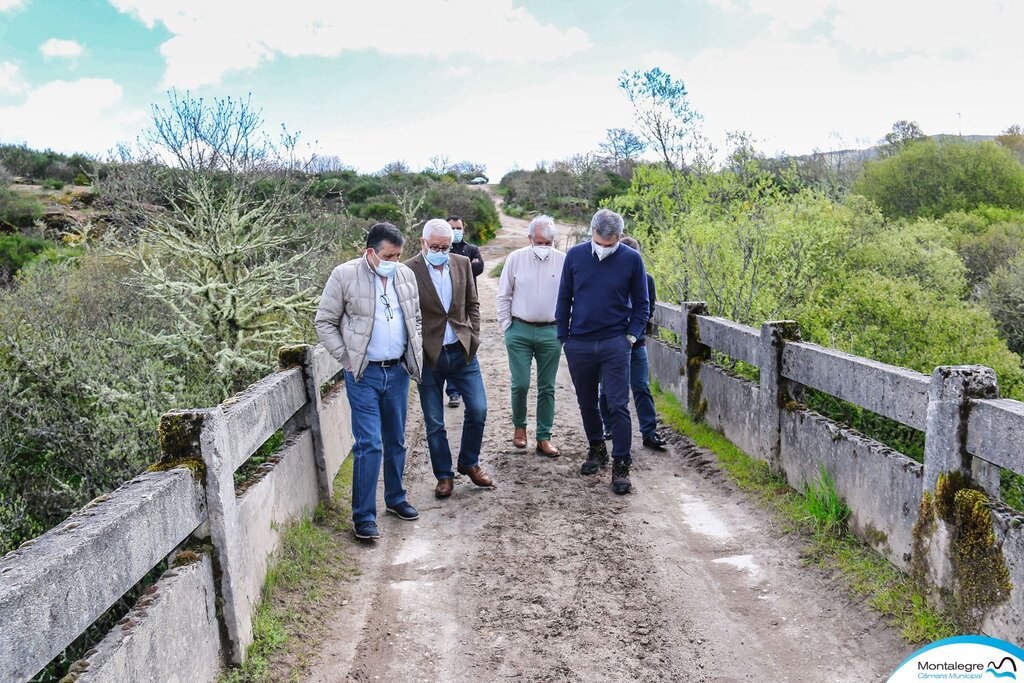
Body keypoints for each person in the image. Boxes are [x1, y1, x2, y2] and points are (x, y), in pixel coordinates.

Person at [314, 222, 423, 541]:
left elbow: (414, 316)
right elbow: (324, 322)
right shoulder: (344, 275)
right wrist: (346, 359)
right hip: (364, 373)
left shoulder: (405, 275)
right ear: (371, 253)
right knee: (369, 444)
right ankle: (363, 517)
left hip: (398, 371)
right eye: (389, 255)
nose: (395, 261)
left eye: (400, 255)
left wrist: (410, 353)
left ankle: (396, 498)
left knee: (396, 439)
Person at [555, 208, 649, 495]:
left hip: (615, 341)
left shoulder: (632, 259)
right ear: (592, 233)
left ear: (619, 237)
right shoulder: (575, 256)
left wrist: (630, 337)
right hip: (580, 341)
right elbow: (564, 297)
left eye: (610, 244)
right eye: (600, 242)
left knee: (618, 404)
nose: (604, 248)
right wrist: (564, 337)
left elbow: (642, 303)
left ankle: (621, 465)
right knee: (586, 402)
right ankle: (597, 447)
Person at [405, 218, 493, 499]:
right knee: (434, 422)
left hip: (462, 352)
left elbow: (472, 304)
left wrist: (474, 336)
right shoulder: (407, 270)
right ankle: (443, 475)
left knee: (478, 409)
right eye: (435, 247)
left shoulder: (461, 263)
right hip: (429, 357)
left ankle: (469, 461)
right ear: (423, 243)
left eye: (446, 246)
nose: (441, 251)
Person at [496, 214, 565, 457]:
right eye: (539, 242)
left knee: (547, 387)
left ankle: (544, 437)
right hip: (520, 329)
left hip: (551, 330)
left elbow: (571, 298)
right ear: (530, 238)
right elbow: (504, 294)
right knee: (521, 383)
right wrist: (507, 326)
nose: (544, 247)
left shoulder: (563, 261)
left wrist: (564, 328)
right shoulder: (515, 259)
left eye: (548, 243)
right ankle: (520, 428)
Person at [599, 236, 667, 451]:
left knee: (641, 386)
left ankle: (649, 431)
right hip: (609, 342)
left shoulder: (647, 280)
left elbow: (648, 309)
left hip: (636, 343)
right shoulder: (605, 275)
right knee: (607, 388)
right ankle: (608, 425)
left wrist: (631, 334)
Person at [444, 214, 484, 409]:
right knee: (450, 344)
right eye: (452, 228)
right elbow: (473, 265)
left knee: (463, 346)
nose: (456, 232)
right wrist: (469, 264)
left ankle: (463, 387)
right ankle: (453, 392)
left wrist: (465, 266)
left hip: (466, 305)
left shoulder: (471, 248)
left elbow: (480, 267)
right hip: (446, 309)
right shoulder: (443, 250)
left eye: (458, 228)